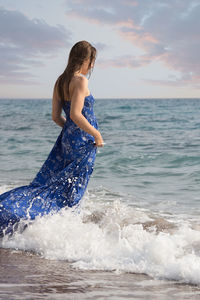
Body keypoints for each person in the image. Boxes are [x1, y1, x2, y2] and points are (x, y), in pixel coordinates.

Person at [0, 40, 104, 237]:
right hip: (83, 143)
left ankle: (38, 224)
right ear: (85, 60)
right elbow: (75, 114)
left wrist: (71, 132)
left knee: (52, 183)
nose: (92, 66)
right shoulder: (80, 81)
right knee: (73, 186)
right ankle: (65, 229)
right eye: (92, 61)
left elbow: (56, 116)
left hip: (67, 141)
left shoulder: (60, 81)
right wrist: (96, 134)